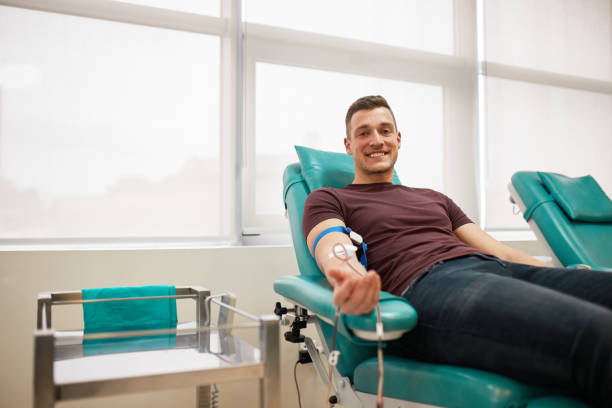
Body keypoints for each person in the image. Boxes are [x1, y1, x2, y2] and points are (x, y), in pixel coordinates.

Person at [302, 95, 612, 407]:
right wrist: (350, 275)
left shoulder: (433, 197)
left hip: (493, 270)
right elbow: (332, 244)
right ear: (348, 144)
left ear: (398, 138)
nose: (376, 140)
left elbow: (502, 253)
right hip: (434, 287)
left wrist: (565, 278)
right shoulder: (330, 197)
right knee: (598, 335)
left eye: (385, 130)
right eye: (363, 133)